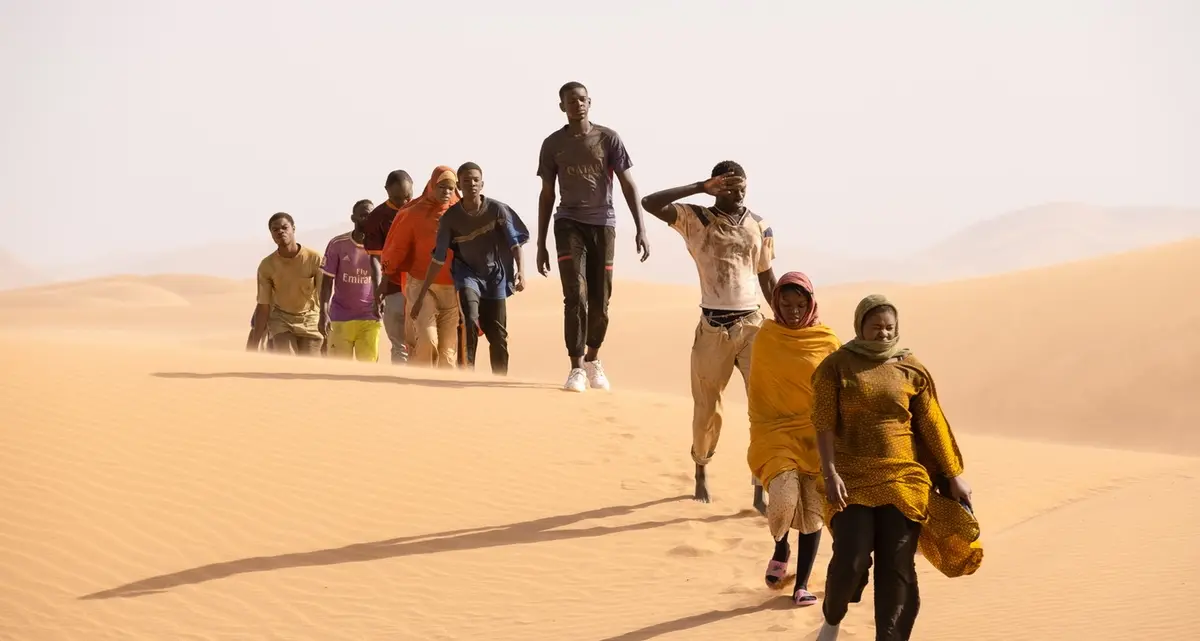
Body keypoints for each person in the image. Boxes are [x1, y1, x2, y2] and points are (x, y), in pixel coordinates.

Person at [812, 295, 982, 641]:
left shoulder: (910, 367)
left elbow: (932, 424)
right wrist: (830, 473)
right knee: (852, 556)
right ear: (860, 326)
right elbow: (823, 423)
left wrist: (952, 474)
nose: (883, 334)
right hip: (851, 477)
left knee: (897, 564)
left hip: (903, 477)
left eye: (889, 327)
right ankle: (831, 622)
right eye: (875, 328)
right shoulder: (836, 366)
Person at [640, 160, 777, 508]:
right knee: (706, 411)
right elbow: (650, 203)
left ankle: (759, 487)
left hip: (752, 326)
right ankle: (700, 469)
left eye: (741, 185)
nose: (738, 192)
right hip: (713, 328)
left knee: (762, 409)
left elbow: (766, 276)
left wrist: (790, 322)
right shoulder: (696, 219)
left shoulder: (760, 225)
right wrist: (700, 186)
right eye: (729, 186)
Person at [535, 81, 650, 392]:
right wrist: (540, 243)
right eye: (571, 101)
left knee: (601, 300)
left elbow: (628, 184)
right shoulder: (552, 144)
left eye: (582, 99)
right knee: (575, 295)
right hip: (567, 223)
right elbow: (546, 195)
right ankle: (575, 367)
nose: (578, 104)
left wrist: (641, 227)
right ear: (562, 106)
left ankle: (593, 359)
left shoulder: (608, 138)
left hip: (603, 224)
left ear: (590, 102)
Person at [745, 272, 841, 607]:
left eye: (800, 304)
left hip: (817, 437)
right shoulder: (767, 337)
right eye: (785, 304)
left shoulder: (827, 340)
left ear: (811, 303)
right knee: (784, 499)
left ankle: (801, 585)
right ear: (775, 303)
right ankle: (781, 544)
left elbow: (842, 385)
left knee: (813, 513)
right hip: (774, 433)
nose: (793, 311)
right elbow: (759, 393)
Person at [409, 162, 529, 375]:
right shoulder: (450, 218)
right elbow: (438, 259)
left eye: (475, 180)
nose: (471, 184)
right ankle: (468, 373)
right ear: (459, 187)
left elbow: (514, 244)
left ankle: (500, 379)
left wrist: (521, 271)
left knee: (498, 334)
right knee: (470, 320)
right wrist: (419, 297)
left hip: (495, 278)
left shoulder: (497, 210)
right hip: (467, 276)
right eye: (466, 181)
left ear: (482, 184)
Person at [382, 166, 460, 368]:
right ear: (432, 185)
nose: (446, 192)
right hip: (421, 284)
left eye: (451, 188)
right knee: (427, 342)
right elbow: (397, 246)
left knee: (448, 353)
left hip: (452, 288)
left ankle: (441, 394)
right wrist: (387, 271)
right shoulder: (414, 213)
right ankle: (418, 387)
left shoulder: (461, 212)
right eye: (442, 186)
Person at [246, 213, 325, 355]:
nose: (280, 232)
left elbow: (324, 297)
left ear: (293, 229)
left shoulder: (315, 259)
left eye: (284, 227)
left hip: (310, 320)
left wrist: (327, 325)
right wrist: (254, 343)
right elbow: (263, 305)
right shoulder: (267, 265)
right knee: (287, 360)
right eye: (275, 230)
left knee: (310, 366)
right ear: (271, 234)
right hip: (281, 321)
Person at [319, 199, 383, 362]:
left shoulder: (382, 245)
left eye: (371, 216)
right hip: (340, 318)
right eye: (364, 216)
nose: (368, 220)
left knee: (368, 373)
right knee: (338, 372)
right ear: (353, 218)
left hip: (370, 318)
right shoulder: (337, 244)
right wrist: (323, 313)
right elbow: (327, 283)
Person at [362, 170, 414, 363]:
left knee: (422, 341)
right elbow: (375, 258)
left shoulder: (419, 210)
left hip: (420, 287)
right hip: (392, 288)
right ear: (386, 191)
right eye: (397, 198)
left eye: (407, 197)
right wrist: (378, 289)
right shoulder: (377, 217)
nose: (403, 203)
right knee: (399, 344)